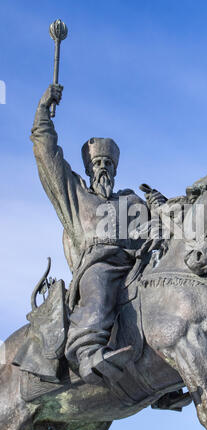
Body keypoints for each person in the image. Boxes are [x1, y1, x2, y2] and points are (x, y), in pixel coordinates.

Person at [30, 84, 166, 384]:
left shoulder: (131, 201)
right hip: (98, 264)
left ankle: (164, 370)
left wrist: (160, 212)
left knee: (166, 294)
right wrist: (43, 113)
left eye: (108, 164)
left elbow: (156, 232)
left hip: (135, 265)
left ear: (115, 170)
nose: (103, 168)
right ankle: (86, 349)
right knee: (101, 281)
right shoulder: (76, 195)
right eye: (98, 163)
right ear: (89, 169)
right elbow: (47, 155)